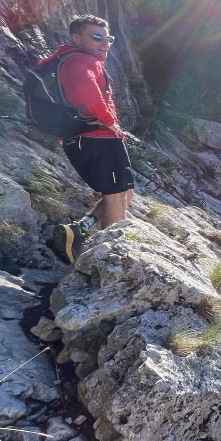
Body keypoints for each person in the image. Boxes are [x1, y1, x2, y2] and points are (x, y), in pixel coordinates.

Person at [44, 14, 135, 263]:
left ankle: (79, 230)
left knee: (124, 192)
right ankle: (112, 260)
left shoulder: (76, 59)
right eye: (97, 37)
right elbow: (88, 90)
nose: (104, 43)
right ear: (77, 38)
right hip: (97, 137)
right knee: (116, 194)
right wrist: (109, 121)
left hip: (93, 137)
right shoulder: (80, 61)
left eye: (108, 38)